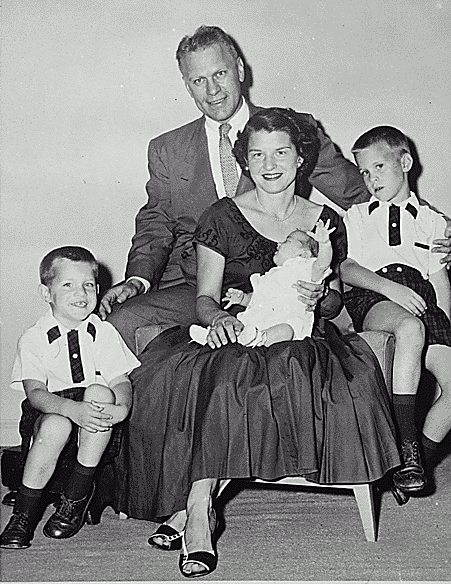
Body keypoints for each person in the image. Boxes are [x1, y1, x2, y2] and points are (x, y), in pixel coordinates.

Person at [113, 108, 401, 578]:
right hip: (239, 330)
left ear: (301, 157)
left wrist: (321, 292)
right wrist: (222, 317)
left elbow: (334, 307)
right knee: (220, 375)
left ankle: (191, 510)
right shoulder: (222, 215)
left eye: (281, 151)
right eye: (257, 153)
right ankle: (202, 507)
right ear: (244, 160)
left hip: (301, 339)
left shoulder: (325, 222)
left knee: (272, 373)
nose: (270, 163)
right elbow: (204, 299)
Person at [98, 24, 451, 352]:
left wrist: (433, 228)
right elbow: (156, 223)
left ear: (240, 69)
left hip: (283, 288)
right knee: (118, 325)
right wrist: (137, 280)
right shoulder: (168, 148)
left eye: (220, 73)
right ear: (187, 85)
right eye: (198, 80)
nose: (212, 90)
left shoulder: (293, 130)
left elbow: (362, 192)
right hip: (194, 286)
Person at [340, 126, 451, 504]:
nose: (371, 178)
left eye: (379, 166)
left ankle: (409, 467)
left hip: (421, 300)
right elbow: (347, 267)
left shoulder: (433, 222)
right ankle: (407, 448)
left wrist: (445, 331)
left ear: (405, 162)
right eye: (364, 171)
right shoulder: (358, 215)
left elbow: (439, 282)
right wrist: (390, 289)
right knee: (409, 327)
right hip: (376, 296)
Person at [0, 247, 140, 550]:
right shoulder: (34, 338)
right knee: (55, 426)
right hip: (50, 412)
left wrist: (122, 409)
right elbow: (36, 394)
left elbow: (121, 379)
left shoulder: (104, 332)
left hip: (94, 427)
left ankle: (75, 499)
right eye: (68, 285)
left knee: (102, 392)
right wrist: (68, 409)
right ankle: (24, 514)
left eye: (88, 285)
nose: (81, 293)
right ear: (46, 292)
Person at [190, 219, 334, 347]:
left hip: (286, 322)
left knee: (286, 330)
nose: (279, 243)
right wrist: (242, 298)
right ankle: (216, 339)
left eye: (287, 241)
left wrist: (324, 243)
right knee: (239, 324)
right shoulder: (271, 275)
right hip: (259, 320)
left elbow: (323, 264)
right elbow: (259, 297)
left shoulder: (305, 268)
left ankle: (261, 338)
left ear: (304, 254)